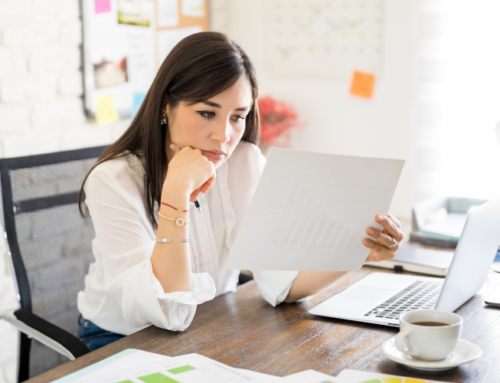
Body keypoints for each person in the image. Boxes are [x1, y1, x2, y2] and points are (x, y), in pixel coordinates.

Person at [76, 32, 404, 351]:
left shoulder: (244, 162)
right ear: (166, 106)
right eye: (207, 113)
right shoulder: (113, 180)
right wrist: (175, 194)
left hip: (208, 330)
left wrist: (357, 251)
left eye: (238, 117)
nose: (224, 135)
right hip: (120, 341)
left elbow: (282, 284)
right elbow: (167, 313)